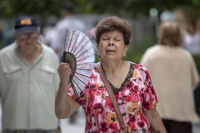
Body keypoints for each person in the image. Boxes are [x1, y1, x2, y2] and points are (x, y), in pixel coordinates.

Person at [55, 16, 167, 133]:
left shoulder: (140, 73)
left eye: (117, 39)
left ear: (125, 49)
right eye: (106, 39)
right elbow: (62, 113)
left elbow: (152, 115)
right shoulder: (86, 75)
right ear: (98, 47)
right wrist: (63, 81)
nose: (111, 43)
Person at [0, 15, 60, 133]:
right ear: (15, 34)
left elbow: (58, 93)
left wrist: (59, 126)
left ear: (38, 33)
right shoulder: (3, 58)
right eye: (23, 35)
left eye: (32, 34)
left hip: (47, 127)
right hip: (14, 128)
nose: (28, 39)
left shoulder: (51, 56)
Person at [140, 21, 200, 133]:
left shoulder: (151, 54)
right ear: (179, 35)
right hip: (182, 111)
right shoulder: (186, 56)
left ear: (161, 34)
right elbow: (195, 81)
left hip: (156, 112)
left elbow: (140, 80)